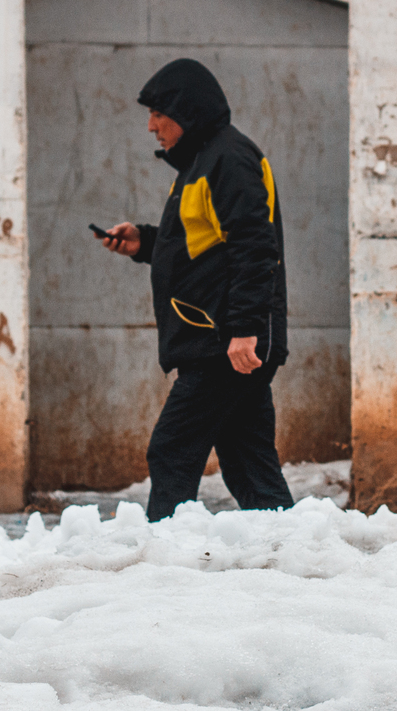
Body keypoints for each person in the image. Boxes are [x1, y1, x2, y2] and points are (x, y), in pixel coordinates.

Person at [96, 58, 295, 521]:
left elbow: (254, 248)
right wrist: (143, 242)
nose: (151, 127)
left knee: (171, 451)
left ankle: (165, 560)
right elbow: (202, 247)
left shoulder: (229, 159)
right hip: (220, 341)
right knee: (249, 464)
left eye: (157, 115)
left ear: (185, 112)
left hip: (224, 343)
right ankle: (290, 555)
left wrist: (245, 330)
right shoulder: (202, 165)